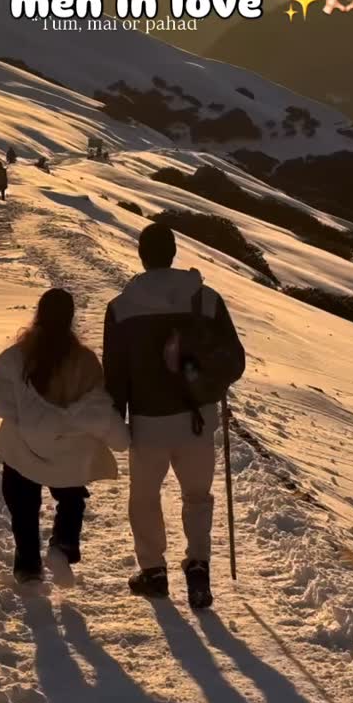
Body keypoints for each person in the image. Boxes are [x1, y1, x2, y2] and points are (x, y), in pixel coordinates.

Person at [103, 223, 245, 609]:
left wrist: (114, 422)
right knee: (197, 496)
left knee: (145, 498)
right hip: (198, 418)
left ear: (142, 256)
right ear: (173, 252)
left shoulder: (121, 308)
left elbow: (114, 375)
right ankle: (198, 570)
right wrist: (209, 382)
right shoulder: (206, 299)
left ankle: (153, 572)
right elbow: (235, 361)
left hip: (148, 422)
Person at [0, 288, 129, 583]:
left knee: (22, 501)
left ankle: (28, 568)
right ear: (70, 318)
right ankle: (62, 546)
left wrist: (25, 418)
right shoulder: (86, 361)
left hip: (24, 448)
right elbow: (99, 409)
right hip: (69, 453)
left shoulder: (16, 357)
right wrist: (120, 439)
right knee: (72, 496)